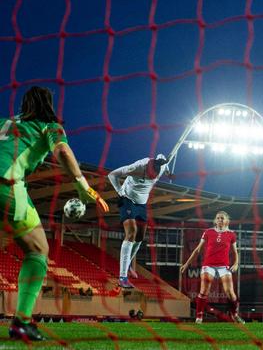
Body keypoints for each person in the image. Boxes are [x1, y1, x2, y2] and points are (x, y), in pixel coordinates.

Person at [1, 87, 109, 341]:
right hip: (6, 185)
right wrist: (84, 187)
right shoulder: (49, 125)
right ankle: (21, 322)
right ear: (49, 105)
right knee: (38, 250)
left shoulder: (5, 122)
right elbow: (62, 151)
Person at [108, 154, 169, 288]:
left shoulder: (161, 166)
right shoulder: (136, 167)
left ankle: (128, 263)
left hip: (142, 204)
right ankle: (122, 277)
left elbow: (164, 159)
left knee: (140, 236)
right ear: (145, 170)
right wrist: (119, 192)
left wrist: (169, 171)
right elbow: (112, 175)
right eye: (149, 176)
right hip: (127, 199)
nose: (151, 179)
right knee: (132, 233)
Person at [180, 211, 243, 324]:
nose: (220, 220)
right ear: (215, 220)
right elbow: (197, 250)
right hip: (208, 265)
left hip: (224, 266)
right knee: (204, 290)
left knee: (230, 292)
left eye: (222, 218)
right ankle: (199, 317)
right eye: (218, 218)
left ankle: (235, 315)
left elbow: (235, 252)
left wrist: (236, 264)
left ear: (227, 221)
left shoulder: (231, 234)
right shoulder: (208, 232)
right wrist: (186, 264)